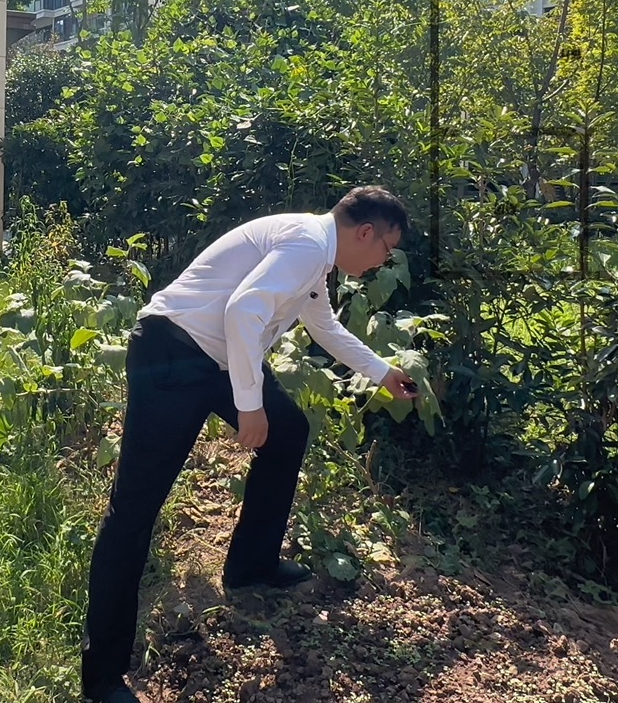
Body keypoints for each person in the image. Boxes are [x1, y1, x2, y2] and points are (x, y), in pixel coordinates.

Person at [79, 185, 422, 703]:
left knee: (289, 432)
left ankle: (250, 565)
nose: (382, 262)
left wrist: (381, 371)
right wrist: (249, 404)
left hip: (213, 357)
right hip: (172, 353)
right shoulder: (308, 243)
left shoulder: (315, 255)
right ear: (365, 232)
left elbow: (322, 325)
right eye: (384, 249)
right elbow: (243, 311)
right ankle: (101, 678)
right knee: (134, 509)